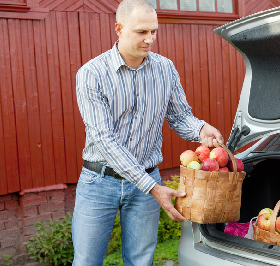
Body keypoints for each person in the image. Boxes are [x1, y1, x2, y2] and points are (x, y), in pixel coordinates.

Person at [72, 0, 224, 265]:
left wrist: (200, 128)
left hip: (146, 178)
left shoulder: (165, 69)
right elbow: (103, 139)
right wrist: (152, 187)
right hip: (100, 181)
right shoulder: (91, 74)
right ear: (119, 28)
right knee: (86, 261)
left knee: (141, 261)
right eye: (141, 32)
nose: (149, 39)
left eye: (153, 31)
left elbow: (179, 117)